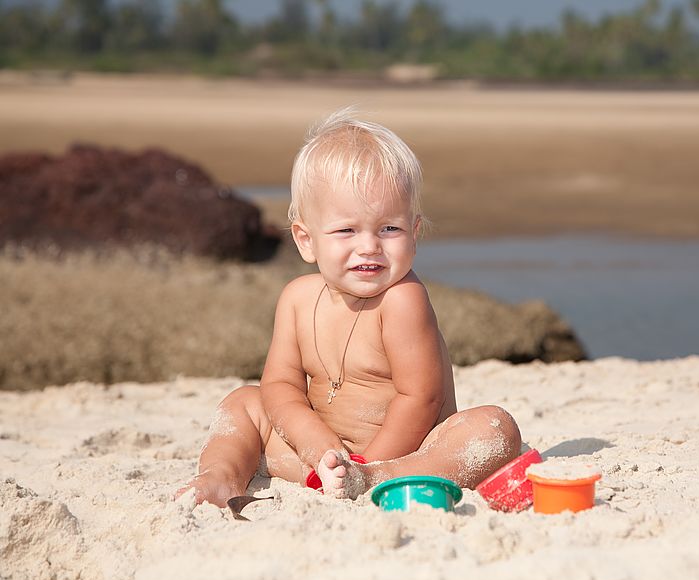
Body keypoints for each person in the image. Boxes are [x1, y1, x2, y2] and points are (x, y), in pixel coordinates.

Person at [176, 108, 521, 507]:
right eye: (346, 230)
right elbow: (281, 388)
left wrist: (365, 468)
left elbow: (421, 399)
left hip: (406, 454)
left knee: (493, 428)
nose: (370, 246)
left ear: (415, 232)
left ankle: (375, 479)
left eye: (389, 228)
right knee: (243, 403)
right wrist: (318, 449)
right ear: (306, 241)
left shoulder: (402, 299)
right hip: (320, 459)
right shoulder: (297, 300)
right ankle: (221, 477)